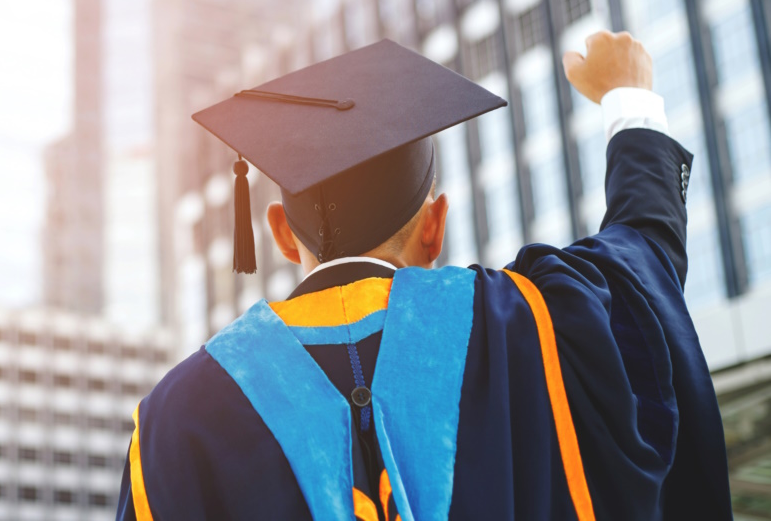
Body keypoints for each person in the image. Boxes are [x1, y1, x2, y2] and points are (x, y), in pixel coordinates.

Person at [117, 31, 732, 521]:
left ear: (279, 232)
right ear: (434, 226)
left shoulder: (173, 420)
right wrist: (630, 98)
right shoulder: (532, 320)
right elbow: (642, 257)